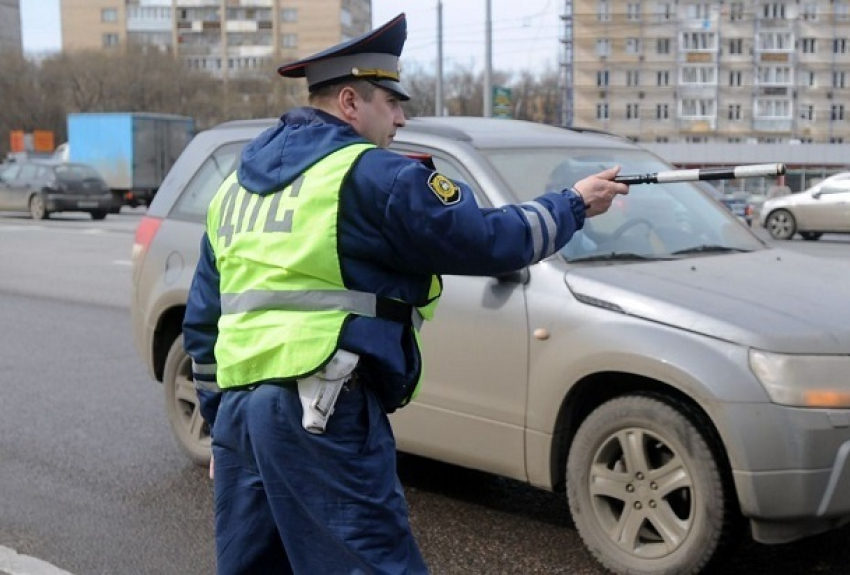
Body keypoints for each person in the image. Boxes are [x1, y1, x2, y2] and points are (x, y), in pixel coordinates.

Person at [182, 12, 629, 575]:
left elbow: (203, 326)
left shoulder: (233, 190)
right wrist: (573, 203)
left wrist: (220, 426)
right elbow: (491, 240)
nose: (401, 117)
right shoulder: (373, 175)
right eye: (391, 102)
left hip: (240, 420)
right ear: (350, 102)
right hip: (320, 408)